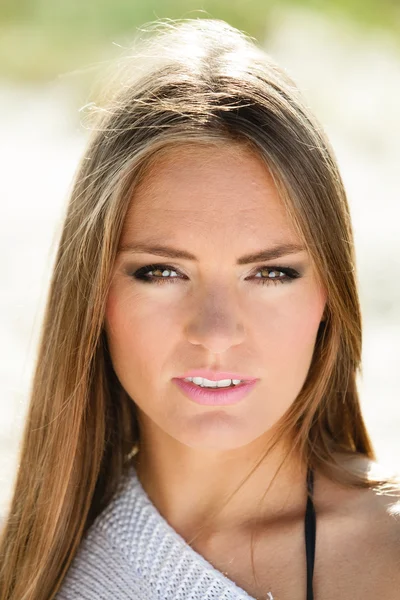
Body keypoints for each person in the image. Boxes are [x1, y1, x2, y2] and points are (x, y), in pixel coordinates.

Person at [0, 17, 399, 600]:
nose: (216, 334)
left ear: (328, 296)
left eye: (270, 273)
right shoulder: (30, 567)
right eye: (162, 272)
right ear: (95, 296)